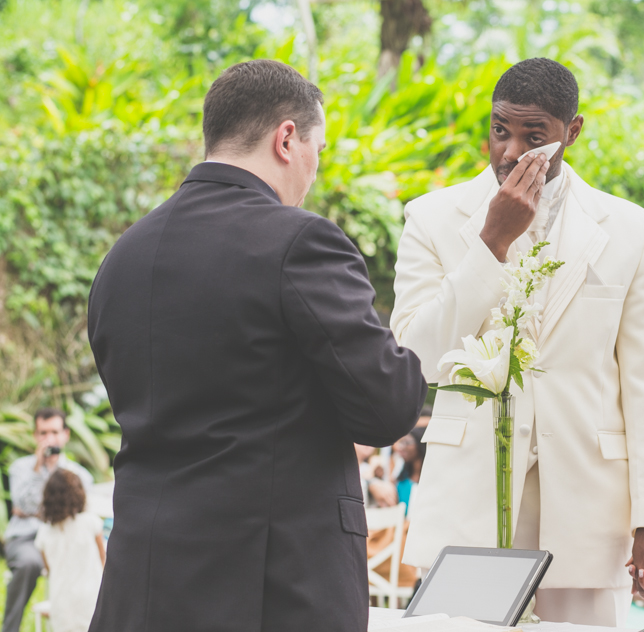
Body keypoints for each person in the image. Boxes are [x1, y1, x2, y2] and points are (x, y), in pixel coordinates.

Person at [86, 60, 427, 632]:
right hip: (271, 585)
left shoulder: (122, 258)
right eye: (318, 147)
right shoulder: (300, 241)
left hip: (144, 578)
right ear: (287, 138)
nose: (314, 170)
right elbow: (387, 406)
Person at [392, 58, 644, 626]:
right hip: (470, 500)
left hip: (586, 510)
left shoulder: (629, 228)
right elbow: (415, 356)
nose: (510, 151)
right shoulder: (432, 218)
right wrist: (490, 244)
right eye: (501, 130)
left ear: (572, 132)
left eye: (533, 136)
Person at [2, 408, 92, 632]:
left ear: (66, 434)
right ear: (35, 435)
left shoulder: (78, 474)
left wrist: (34, 510)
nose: (48, 438)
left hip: (64, 540)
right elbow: (24, 506)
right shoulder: (21, 468)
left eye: (54, 432)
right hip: (25, 540)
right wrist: (38, 468)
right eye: (43, 433)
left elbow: (79, 513)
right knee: (29, 563)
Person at [35, 470, 105, 632]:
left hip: (61, 603)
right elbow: (103, 559)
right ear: (78, 493)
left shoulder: (44, 532)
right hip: (91, 599)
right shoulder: (90, 522)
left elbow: (50, 569)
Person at [394, 427, 426, 516]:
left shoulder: (430, 480)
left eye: (407, 442)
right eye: (401, 443)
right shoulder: (401, 480)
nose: (402, 447)